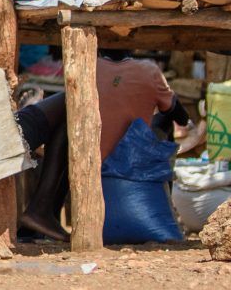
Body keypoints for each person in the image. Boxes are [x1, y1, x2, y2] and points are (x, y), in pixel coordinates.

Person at [12, 55, 180, 240]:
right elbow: (177, 113)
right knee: (70, 133)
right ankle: (40, 211)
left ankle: (41, 216)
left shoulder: (93, 79)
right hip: (19, 133)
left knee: (70, 140)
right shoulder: (84, 95)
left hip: (26, 130)